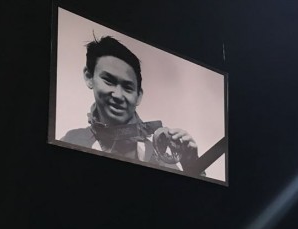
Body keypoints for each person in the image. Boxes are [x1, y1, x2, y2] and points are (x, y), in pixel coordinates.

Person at [61, 36, 205, 176]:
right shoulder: (72, 140)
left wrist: (192, 167)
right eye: (108, 81)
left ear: (139, 96)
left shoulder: (159, 156)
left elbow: (188, 192)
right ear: (89, 77)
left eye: (128, 87)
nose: (118, 95)